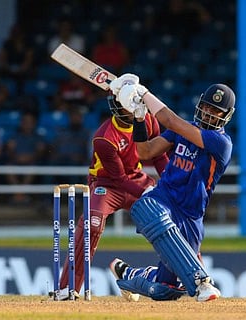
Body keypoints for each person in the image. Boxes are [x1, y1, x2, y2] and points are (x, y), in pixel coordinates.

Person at [107, 74, 235, 302]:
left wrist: (144, 94)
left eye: (216, 111)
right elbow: (145, 152)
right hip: (164, 198)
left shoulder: (221, 143)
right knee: (146, 207)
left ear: (226, 117)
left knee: (166, 291)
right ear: (200, 105)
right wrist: (138, 118)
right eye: (206, 106)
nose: (208, 113)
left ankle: (128, 274)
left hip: (190, 214)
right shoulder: (183, 130)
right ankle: (201, 281)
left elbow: (171, 120)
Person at [55, 82, 169, 300]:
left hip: (137, 178)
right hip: (106, 185)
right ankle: (68, 288)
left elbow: (157, 156)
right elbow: (119, 178)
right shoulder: (104, 137)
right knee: (92, 224)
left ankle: (160, 278)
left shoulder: (148, 120)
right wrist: (146, 193)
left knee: (166, 218)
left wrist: (169, 182)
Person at [4, 112, 46, 204]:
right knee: (8, 168)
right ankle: (20, 195)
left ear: (34, 123)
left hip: (32, 162)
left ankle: (19, 195)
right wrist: (15, 155)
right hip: (16, 161)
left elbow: (40, 153)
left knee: (31, 169)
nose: (26, 124)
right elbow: (9, 153)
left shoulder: (38, 137)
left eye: (29, 122)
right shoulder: (15, 136)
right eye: (24, 121)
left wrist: (29, 157)